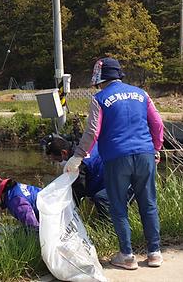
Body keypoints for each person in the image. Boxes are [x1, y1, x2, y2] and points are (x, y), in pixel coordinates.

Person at [66, 57, 164, 270]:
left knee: (118, 207)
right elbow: (157, 124)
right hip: (145, 154)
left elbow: (93, 131)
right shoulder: (142, 94)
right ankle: (154, 253)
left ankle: (127, 256)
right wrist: (156, 148)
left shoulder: (99, 98)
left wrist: (78, 156)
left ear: (100, 79)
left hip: (117, 157)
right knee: (148, 204)